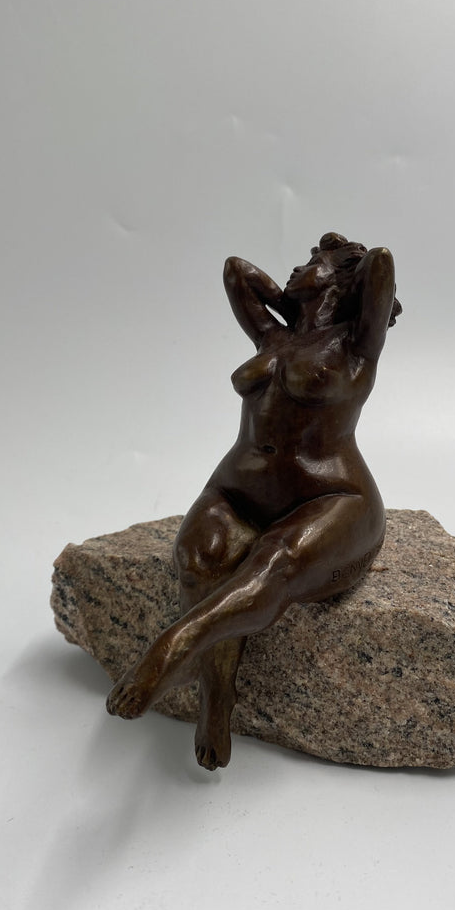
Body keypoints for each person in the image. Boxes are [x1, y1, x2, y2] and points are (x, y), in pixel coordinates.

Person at [107, 232, 401, 769]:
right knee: (196, 561)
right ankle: (218, 696)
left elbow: (381, 263)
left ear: (344, 281)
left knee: (275, 562)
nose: (296, 267)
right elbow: (236, 270)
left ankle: (173, 648)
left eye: (311, 262)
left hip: (332, 497)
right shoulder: (273, 336)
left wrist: (344, 273)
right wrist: (300, 298)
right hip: (239, 488)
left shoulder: (358, 345)